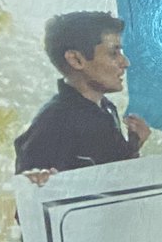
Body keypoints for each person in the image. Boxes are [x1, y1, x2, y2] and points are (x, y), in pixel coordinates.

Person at [14, 12, 151, 174]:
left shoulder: (106, 108)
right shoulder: (54, 122)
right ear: (76, 60)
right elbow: (34, 185)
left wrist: (133, 146)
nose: (125, 63)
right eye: (114, 53)